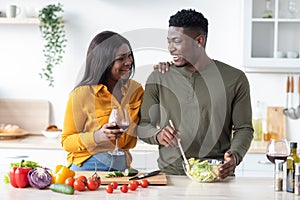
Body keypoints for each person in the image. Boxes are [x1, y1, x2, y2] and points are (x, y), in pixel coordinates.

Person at [137, 9, 254, 179]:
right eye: (169, 42)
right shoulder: (159, 77)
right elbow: (143, 125)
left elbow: (244, 128)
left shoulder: (235, 79)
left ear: (199, 40)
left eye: (177, 42)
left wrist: (234, 156)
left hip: (218, 175)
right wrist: (158, 135)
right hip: (171, 176)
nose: (170, 49)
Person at [61, 31, 144, 171]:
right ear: (103, 62)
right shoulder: (81, 94)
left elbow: (149, 123)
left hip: (121, 166)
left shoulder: (135, 90)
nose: (129, 62)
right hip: (87, 167)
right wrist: (97, 136)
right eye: (121, 58)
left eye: (129, 56)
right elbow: (66, 141)